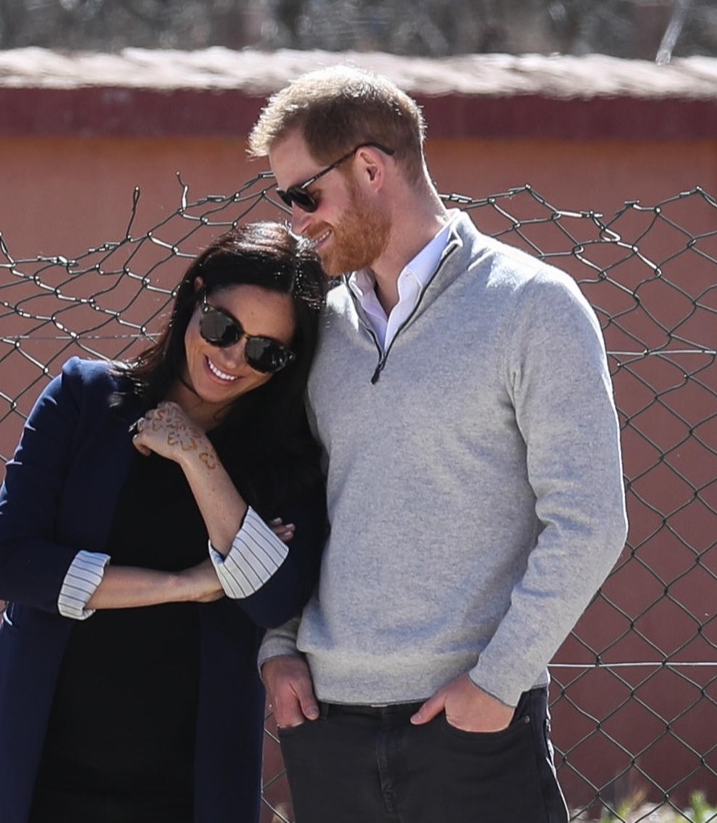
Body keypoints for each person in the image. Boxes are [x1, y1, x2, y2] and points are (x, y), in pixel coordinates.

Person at [248, 65, 628, 823]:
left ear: (369, 167)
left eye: (303, 195)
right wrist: (277, 645)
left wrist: (498, 683)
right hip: (327, 729)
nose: (296, 221)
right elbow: (295, 498)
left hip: (471, 727)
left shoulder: (532, 307)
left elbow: (590, 520)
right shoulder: (320, 325)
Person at [0, 222, 329, 823]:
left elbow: (273, 596)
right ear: (194, 295)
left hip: (185, 789)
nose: (230, 359)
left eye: (263, 351)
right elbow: (12, 563)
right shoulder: (85, 399)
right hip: (37, 771)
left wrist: (195, 453)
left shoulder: (285, 461)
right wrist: (185, 586)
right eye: (223, 328)